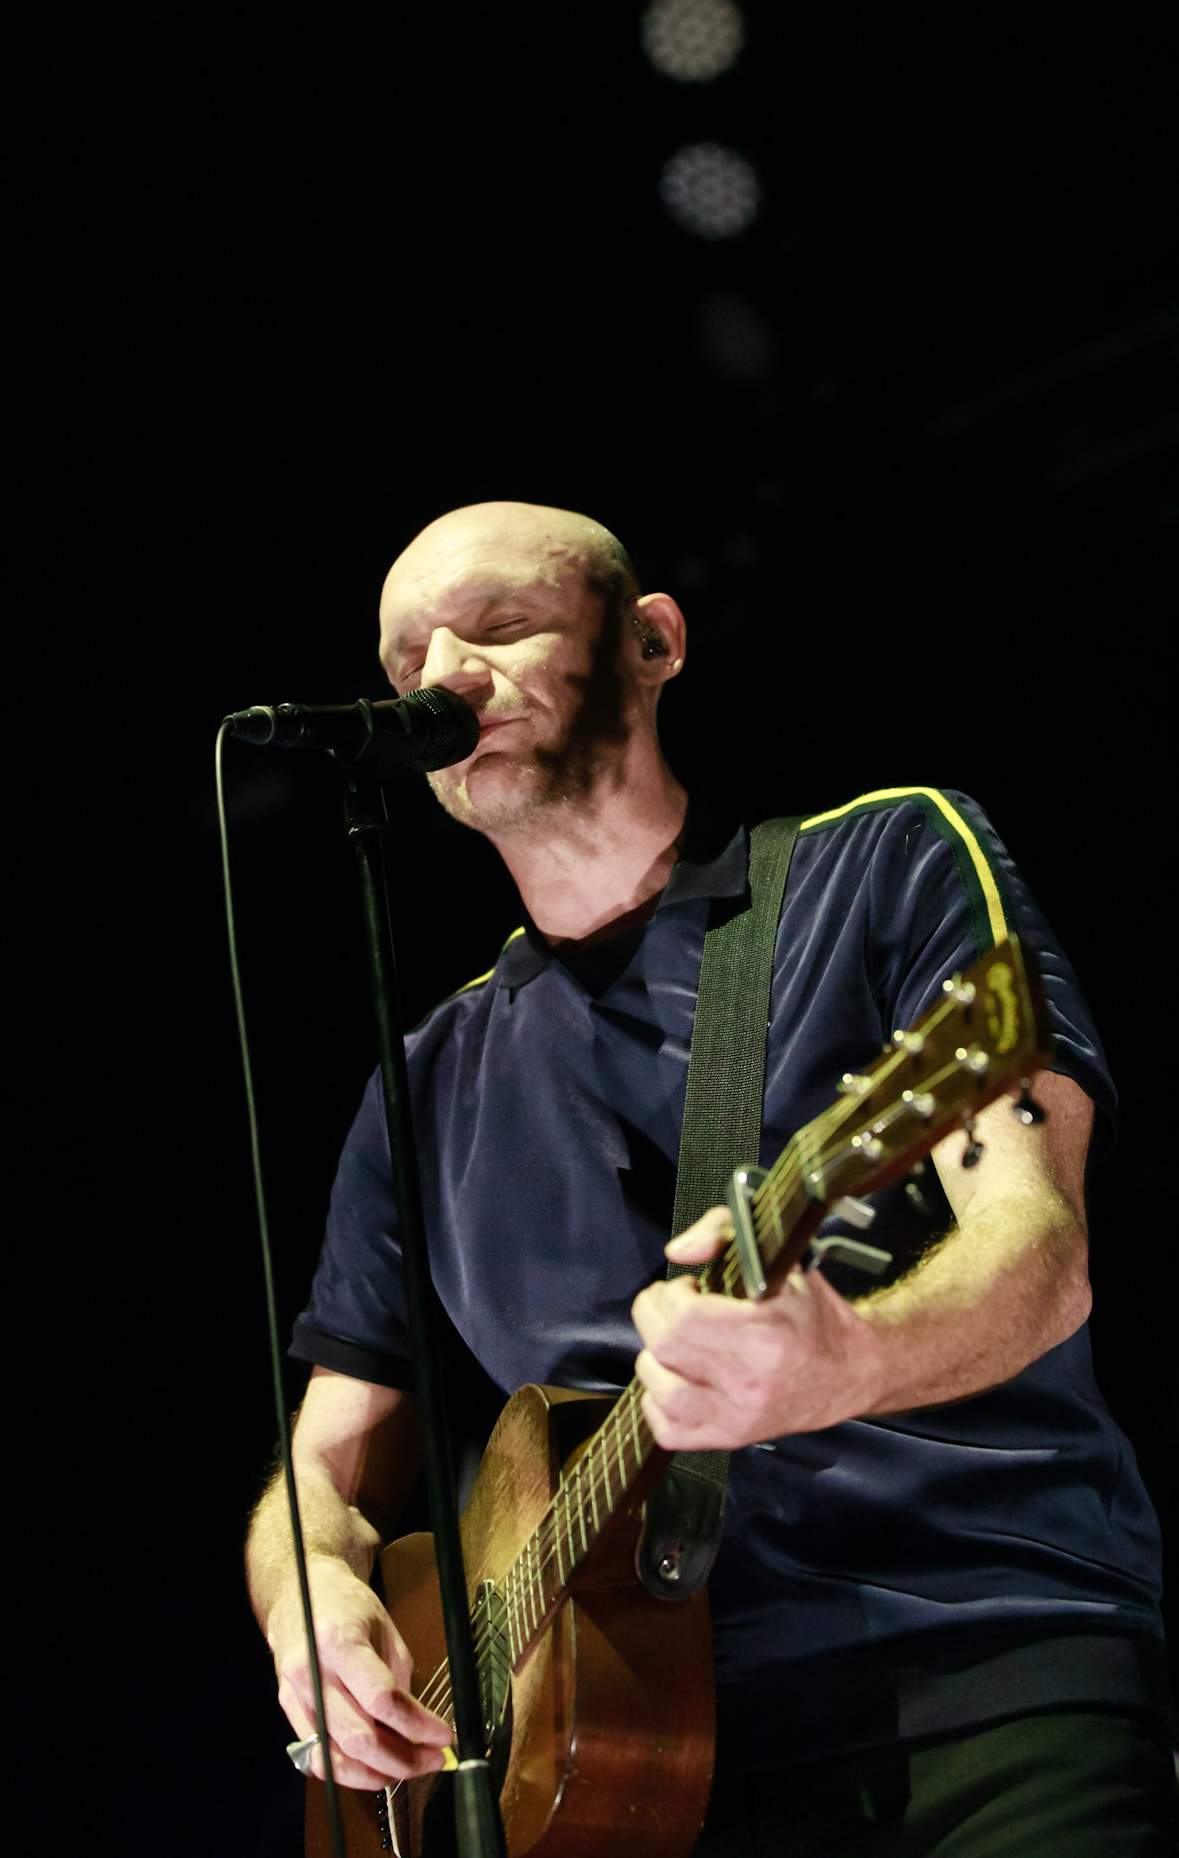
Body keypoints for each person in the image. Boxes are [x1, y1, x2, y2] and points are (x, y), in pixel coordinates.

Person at [245, 502, 1174, 1854]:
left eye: (500, 626)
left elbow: (1038, 1250)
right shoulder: (427, 1075)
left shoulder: (879, 863)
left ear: (651, 642)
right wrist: (307, 1595)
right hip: (622, 1778)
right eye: (408, 662)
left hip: (971, 1676)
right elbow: (320, 1462)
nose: (447, 672)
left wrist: (843, 1362)